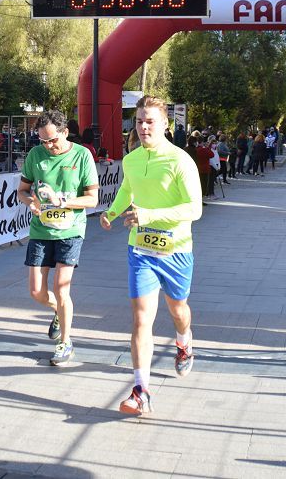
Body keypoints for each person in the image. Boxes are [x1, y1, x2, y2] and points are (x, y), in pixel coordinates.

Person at [100, 95, 203, 415]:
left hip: (175, 249)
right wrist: (113, 212)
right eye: (139, 121)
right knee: (141, 318)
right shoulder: (131, 159)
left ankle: (184, 342)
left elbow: (194, 209)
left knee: (178, 310)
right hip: (141, 248)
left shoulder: (180, 160)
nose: (143, 127)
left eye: (150, 121)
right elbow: (127, 189)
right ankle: (141, 389)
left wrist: (149, 215)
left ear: (165, 125)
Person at [16, 110, 99, 366]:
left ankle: (65, 341)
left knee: (61, 287)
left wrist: (62, 200)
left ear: (65, 132)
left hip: (70, 230)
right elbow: (22, 190)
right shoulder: (35, 155)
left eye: (52, 140)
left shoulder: (82, 155)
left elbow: (92, 199)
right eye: (43, 141)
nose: (48, 146)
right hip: (41, 230)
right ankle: (57, 312)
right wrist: (30, 202)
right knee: (36, 292)